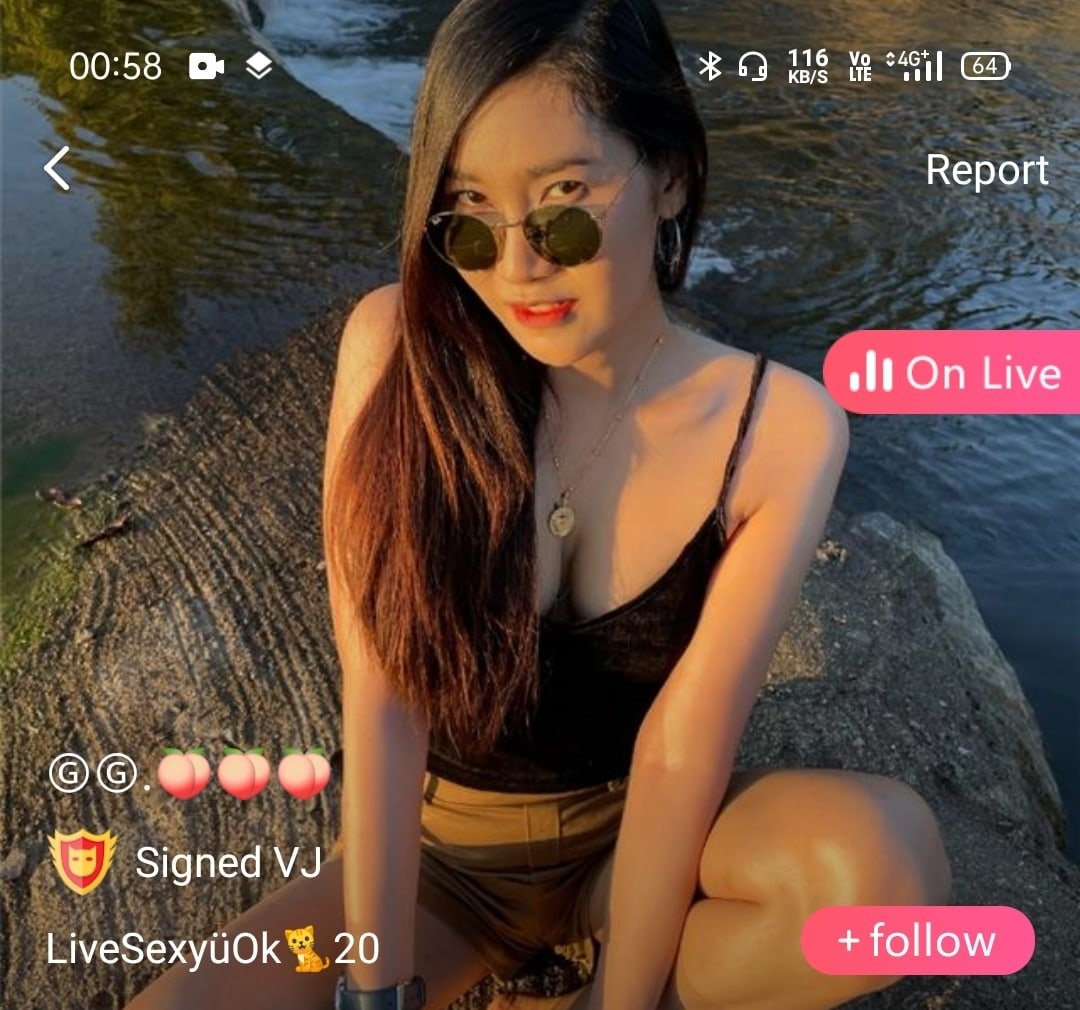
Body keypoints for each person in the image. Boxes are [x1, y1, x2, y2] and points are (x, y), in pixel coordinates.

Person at [128, 1, 951, 1008]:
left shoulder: (776, 426)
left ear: (671, 175)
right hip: (436, 862)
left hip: (639, 844)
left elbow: (680, 753)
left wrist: (621, 997)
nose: (519, 266)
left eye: (565, 200)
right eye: (470, 214)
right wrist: (376, 987)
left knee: (883, 873)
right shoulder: (395, 354)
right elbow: (381, 695)